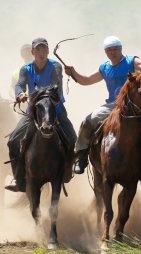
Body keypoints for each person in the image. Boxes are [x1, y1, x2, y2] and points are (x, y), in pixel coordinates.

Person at [64, 36, 141, 187]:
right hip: (113, 106)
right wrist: (73, 73)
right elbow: (87, 80)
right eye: (110, 50)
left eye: (115, 49)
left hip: (135, 107)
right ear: (106, 52)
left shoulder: (130, 61)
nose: (113, 52)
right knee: (89, 120)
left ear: (121, 49)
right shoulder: (105, 67)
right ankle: (81, 155)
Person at [6, 38, 77, 192]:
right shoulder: (26, 69)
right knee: (12, 142)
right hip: (33, 112)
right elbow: (19, 84)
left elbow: (55, 86)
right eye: (38, 50)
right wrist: (20, 94)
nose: (41, 52)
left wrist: (36, 96)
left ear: (48, 51)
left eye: (44, 49)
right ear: (33, 52)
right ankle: (19, 180)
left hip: (55, 111)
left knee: (72, 139)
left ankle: (66, 172)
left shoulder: (55, 66)